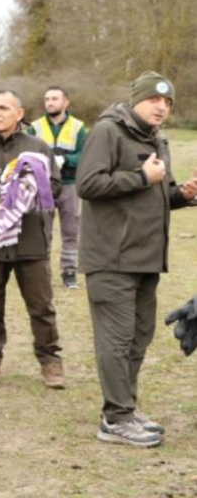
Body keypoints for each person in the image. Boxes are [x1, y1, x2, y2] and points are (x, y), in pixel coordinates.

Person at [77, 71, 197, 447]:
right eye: (153, 100)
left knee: (138, 338)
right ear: (136, 101)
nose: (161, 107)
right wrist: (141, 177)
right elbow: (88, 184)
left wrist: (185, 194)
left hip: (146, 260)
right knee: (115, 340)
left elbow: (160, 194)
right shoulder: (108, 132)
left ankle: (124, 407)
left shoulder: (158, 140)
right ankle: (115, 420)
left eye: (167, 102)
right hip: (111, 259)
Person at [0, 90, 64, 389]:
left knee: (42, 307)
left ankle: (50, 360)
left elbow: (55, 189)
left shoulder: (39, 149)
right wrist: (1, 184)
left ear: (20, 113)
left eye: (3, 107)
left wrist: (29, 187)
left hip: (31, 243)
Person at [26, 86, 87, 289]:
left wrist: (66, 159)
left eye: (54, 98)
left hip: (70, 185)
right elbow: (27, 154)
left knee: (71, 231)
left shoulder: (78, 127)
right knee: (43, 230)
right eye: (47, 99)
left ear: (65, 102)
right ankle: (41, 271)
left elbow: (85, 155)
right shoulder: (35, 127)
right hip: (44, 186)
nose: (50, 102)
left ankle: (69, 272)